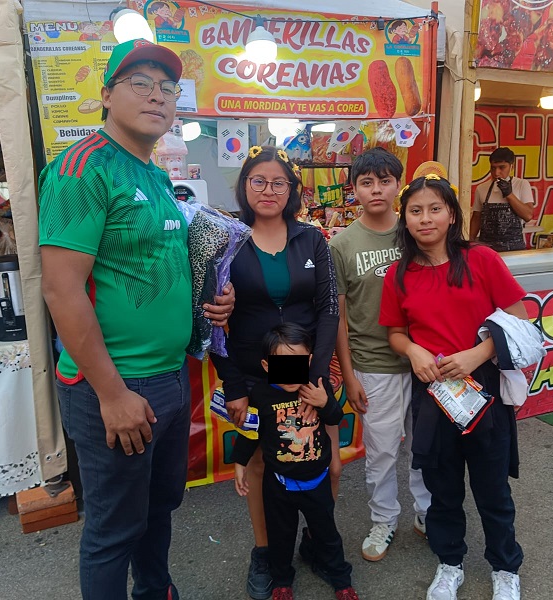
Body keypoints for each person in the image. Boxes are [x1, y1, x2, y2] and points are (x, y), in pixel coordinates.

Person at [38, 39, 234, 600]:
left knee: (159, 507)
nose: (157, 96)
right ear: (105, 95)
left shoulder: (150, 172)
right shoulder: (82, 169)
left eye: (167, 87)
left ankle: (155, 590)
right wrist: (112, 393)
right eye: (139, 83)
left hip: (170, 378)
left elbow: (158, 267)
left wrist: (212, 303)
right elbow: (61, 288)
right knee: (112, 529)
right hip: (116, 386)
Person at [380, 174, 527, 600]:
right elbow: (393, 331)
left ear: (451, 215)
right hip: (432, 393)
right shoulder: (399, 274)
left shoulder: (481, 259)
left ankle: (505, 567)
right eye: (415, 211)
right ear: (404, 219)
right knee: (441, 489)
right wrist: (414, 351)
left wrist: (478, 354)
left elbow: (518, 318)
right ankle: (449, 563)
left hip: (483, 387)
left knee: (492, 488)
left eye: (434, 209)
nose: (425, 218)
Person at [210, 145, 340, 600]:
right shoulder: (226, 239)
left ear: (292, 190)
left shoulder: (312, 240)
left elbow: (327, 309)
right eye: (258, 180)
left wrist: (316, 372)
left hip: (305, 368)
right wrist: (233, 386)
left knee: (324, 454)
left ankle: (317, 543)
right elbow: (215, 321)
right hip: (251, 367)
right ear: (245, 186)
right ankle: (266, 552)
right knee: (263, 459)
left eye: (278, 182)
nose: (268, 189)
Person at [329, 148, 430, 562]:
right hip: (374, 366)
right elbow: (340, 316)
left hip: (427, 361)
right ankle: (384, 519)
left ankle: (428, 513)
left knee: (425, 447)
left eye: (385, 181)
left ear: (398, 186)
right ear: (353, 189)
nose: (376, 190)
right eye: (367, 182)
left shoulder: (417, 232)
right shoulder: (341, 244)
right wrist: (349, 376)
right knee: (383, 450)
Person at [232, 323, 358, 600]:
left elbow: (335, 419)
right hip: (278, 486)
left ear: (309, 361)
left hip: (317, 482)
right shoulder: (262, 395)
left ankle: (340, 579)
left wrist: (325, 402)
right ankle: (281, 582)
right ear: (266, 365)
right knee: (280, 537)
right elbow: (251, 433)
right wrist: (239, 463)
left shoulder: (318, 388)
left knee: (327, 534)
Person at [469, 147, 534, 252]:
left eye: (502, 167)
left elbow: (528, 215)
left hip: (514, 249)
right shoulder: (481, 188)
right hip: (487, 250)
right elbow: (477, 217)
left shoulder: (521, 184)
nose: (496, 173)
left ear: (511, 166)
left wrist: (509, 194)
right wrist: (470, 242)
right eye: (493, 168)